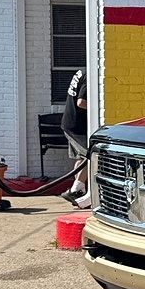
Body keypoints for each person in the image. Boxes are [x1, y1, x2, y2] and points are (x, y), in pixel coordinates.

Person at [60, 70, 91, 209]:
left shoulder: (81, 72)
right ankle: (75, 190)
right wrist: (97, 107)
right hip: (76, 126)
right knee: (88, 155)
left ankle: (78, 190)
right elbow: (81, 102)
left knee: (81, 157)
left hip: (70, 123)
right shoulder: (87, 74)